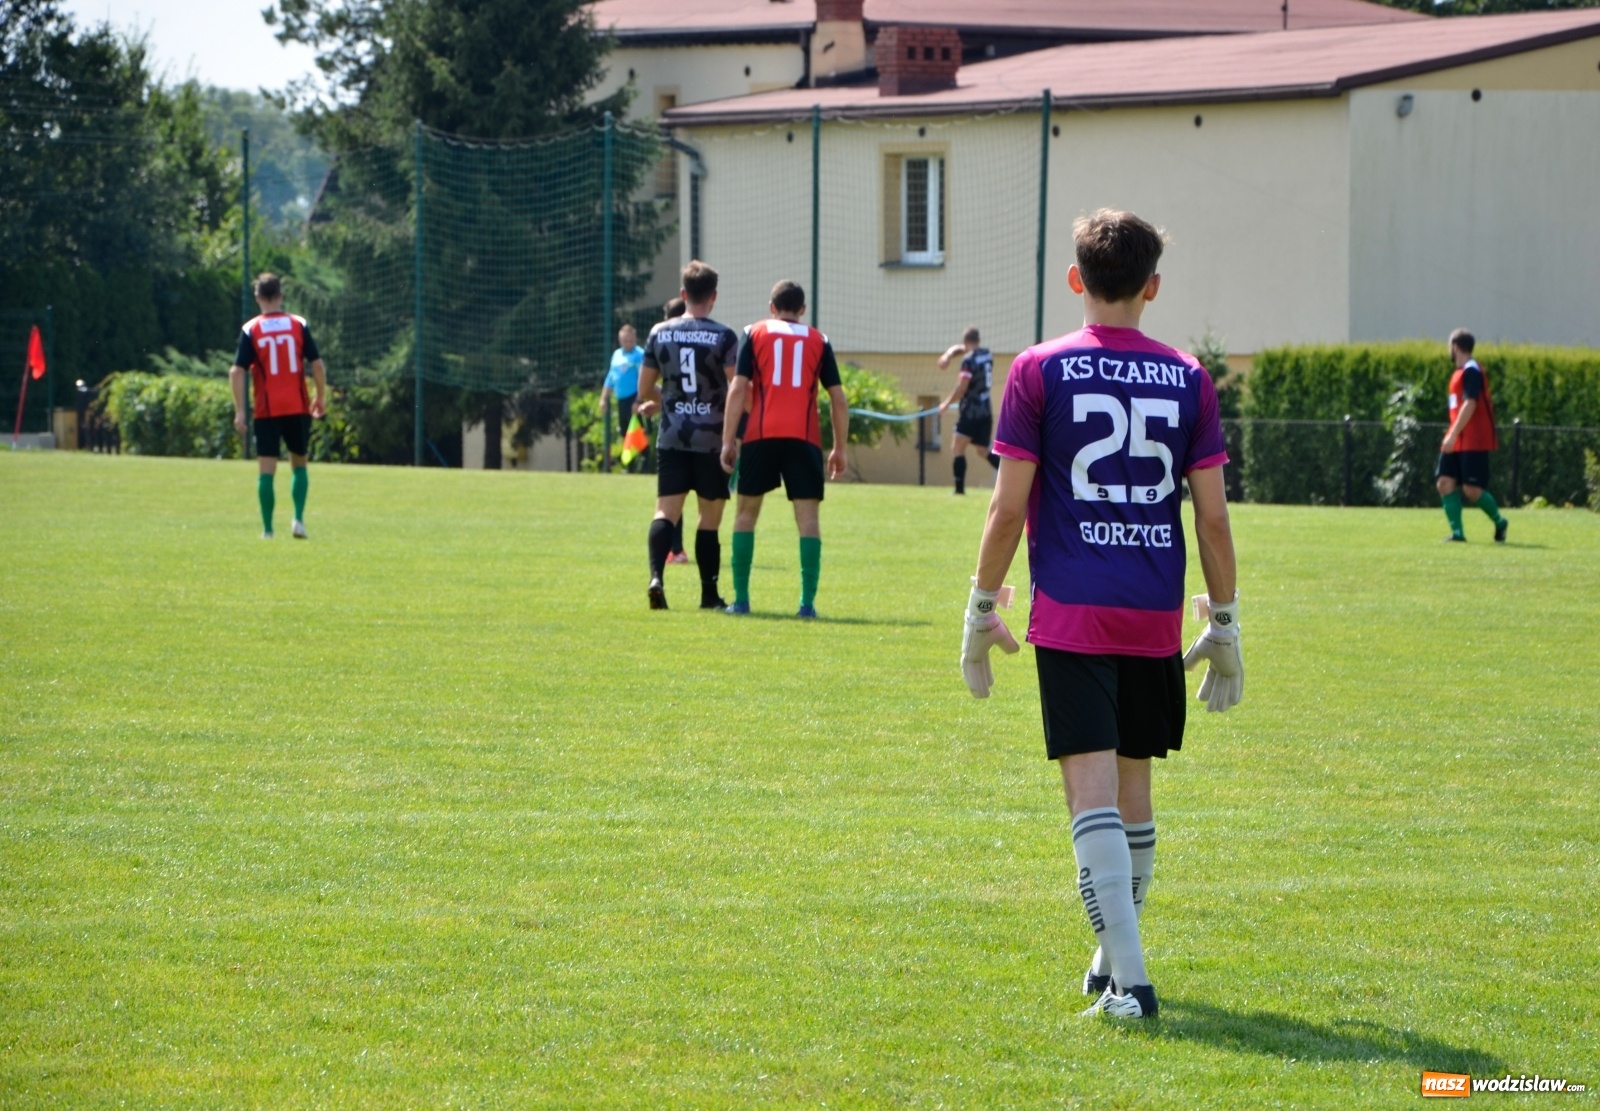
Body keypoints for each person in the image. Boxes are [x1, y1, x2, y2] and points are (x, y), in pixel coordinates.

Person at [960, 209, 1243, 1021]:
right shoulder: (1190, 375)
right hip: (1153, 609)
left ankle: (1134, 984)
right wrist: (1224, 622)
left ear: (1076, 279)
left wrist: (981, 605)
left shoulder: (1037, 370)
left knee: (1089, 798)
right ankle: (1108, 962)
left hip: (1074, 610)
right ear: (1153, 286)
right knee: (1133, 791)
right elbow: (1213, 518)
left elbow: (1007, 510)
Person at [719, 280, 848, 618]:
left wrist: (728, 440)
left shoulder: (754, 332)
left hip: (761, 434)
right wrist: (839, 449)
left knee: (746, 514)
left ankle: (742, 601)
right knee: (808, 521)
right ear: (802, 310)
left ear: (771, 307)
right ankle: (807, 605)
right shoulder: (819, 340)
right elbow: (838, 398)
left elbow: (738, 388)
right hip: (804, 438)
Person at [635, 261, 739, 610]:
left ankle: (655, 578)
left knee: (666, 512)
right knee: (709, 519)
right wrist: (734, 432)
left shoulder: (658, 332)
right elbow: (737, 386)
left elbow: (645, 388)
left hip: (673, 436)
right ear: (713, 297)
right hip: (711, 438)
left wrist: (670, 403)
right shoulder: (724, 336)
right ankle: (709, 595)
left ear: (683, 294)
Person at [230, 273, 328, 539]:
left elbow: (236, 372)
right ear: (281, 296)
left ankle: (268, 530)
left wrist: (240, 410)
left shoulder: (252, 329)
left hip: (267, 410)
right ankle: (298, 520)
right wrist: (320, 396)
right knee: (299, 464)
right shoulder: (298, 324)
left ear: (258, 298)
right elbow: (317, 364)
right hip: (297, 406)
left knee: (266, 470)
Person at [1437, 328, 1508, 543]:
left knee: (1472, 490)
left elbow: (1470, 403)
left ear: (1456, 347)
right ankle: (1458, 534)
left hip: (1473, 439)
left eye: (1450, 346)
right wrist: (1452, 435)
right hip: (1457, 438)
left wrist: (1453, 433)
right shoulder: (1460, 372)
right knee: (1444, 483)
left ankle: (1499, 521)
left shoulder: (1472, 370)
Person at [936, 326, 1000, 495]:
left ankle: (959, 490)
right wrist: (948, 355)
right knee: (982, 450)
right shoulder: (987, 355)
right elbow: (961, 349)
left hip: (971, 411)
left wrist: (946, 404)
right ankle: (1011, 478)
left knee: (957, 447)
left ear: (965, 342)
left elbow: (961, 388)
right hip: (986, 409)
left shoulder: (968, 361)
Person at [600, 324, 644, 473]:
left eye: (631, 341)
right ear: (620, 340)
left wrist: (638, 400)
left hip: (634, 399)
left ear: (635, 339)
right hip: (621, 400)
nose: (628, 344)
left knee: (639, 432)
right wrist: (603, 398)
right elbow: (610, 378)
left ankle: (645, 464)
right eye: (625, 341)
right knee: (625, 433)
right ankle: (629, 467)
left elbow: (643, 380)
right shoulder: (617, 355)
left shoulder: (640, 355)